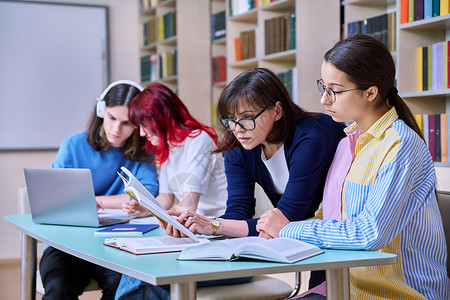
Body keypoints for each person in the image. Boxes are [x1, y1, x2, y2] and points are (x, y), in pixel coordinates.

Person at [256, 35, 449, 300]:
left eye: (334, 90)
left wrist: (287, 229)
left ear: (370, 92)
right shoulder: (346, 144)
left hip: (399, 294)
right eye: (322, 87)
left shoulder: (401, 145)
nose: (324, 100)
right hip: (346, 287)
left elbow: (369, 233)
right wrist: (279, 234)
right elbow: (329, 218)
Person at [164, 68, 345, 289]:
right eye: (230, 120)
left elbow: (287, 219)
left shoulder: (311, 138)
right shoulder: (239, 148)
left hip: (340, 234)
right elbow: (238, 211)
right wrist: (202, 226)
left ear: (277, 111)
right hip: (308, 238)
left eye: (247, 118)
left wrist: (214, 225)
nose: (237, 130)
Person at [39, 80, 159, 300]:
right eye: (112, 118)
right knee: (58, 289)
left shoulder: (144, 153)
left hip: (116, 245)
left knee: (124, 290)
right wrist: (115, 200)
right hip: (67, 244)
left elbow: (146, 194)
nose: (116, 129)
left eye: (127, 123)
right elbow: (56, 195)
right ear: (102, 111)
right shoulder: (73, 145)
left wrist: (92, 200)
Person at [115, 82, 228, 299]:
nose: (141, 132)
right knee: (137, 270)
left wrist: (168, 218)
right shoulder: (169, 144)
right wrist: (144, 207)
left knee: (141, 272)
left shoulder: (198, 139)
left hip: (215, 233)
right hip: (193, 231)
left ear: (162, 117)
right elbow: (166, 198)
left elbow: (189, 203)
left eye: (144, 125)